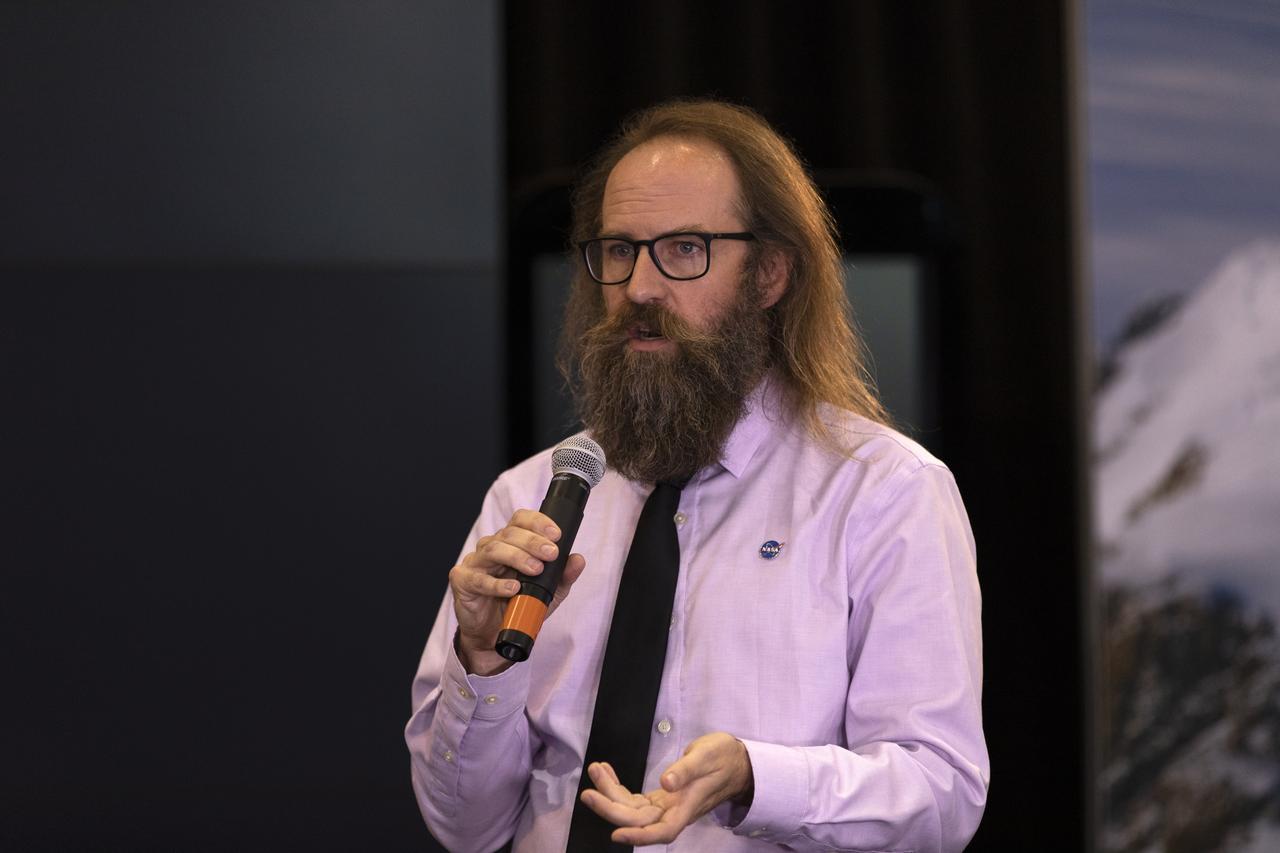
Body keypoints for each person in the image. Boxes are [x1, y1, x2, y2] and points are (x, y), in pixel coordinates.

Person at [406, 99, 988, 852]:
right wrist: (480, 666)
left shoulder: (884, 492)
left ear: (771, 272)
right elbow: (464, 827)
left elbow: (941, 797)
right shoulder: (530, 497)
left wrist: (759, 776)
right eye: (618, 249)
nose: (641, 288)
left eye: (684, 249)